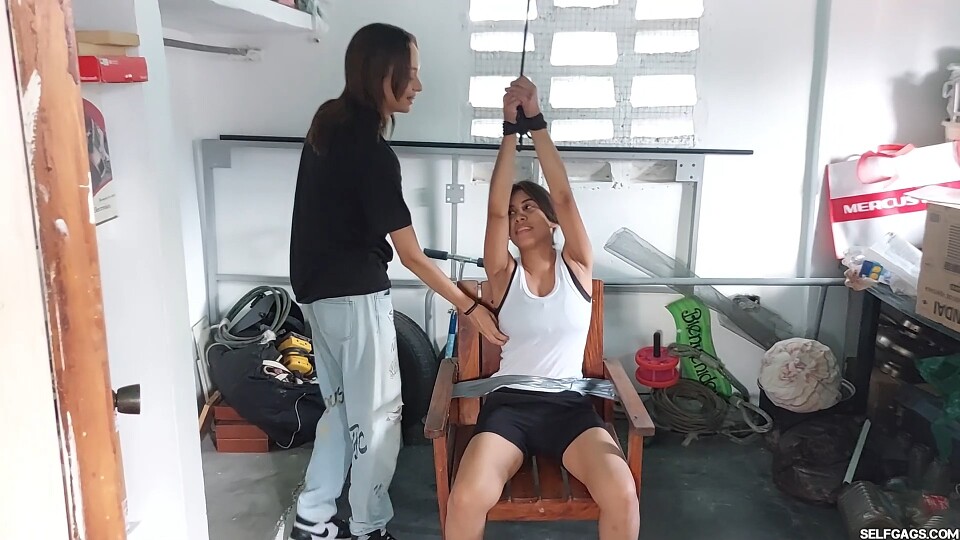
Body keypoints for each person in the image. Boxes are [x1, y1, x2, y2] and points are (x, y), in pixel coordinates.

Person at [288, 23, 507, 540]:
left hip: (318, 296)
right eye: (410, 73)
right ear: (381, 72)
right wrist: (470, 307)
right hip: (354, 299)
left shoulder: (328, 123)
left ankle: (313, 518)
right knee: (380, 417)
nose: (418, 85)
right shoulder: (371, 152)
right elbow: (411, 255)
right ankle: (368, 527)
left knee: (341, 411)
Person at [443, 77, 641, 540]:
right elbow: (493, 211)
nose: (518, 216)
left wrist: (535, 122)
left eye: (529, 207)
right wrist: (508, 132)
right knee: (467, 496)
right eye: (514, 213)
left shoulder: (578, 265)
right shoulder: (502, 274)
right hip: (508, 409)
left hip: (570, 408)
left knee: (622, 492)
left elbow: (566, 195)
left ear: (552, 220)